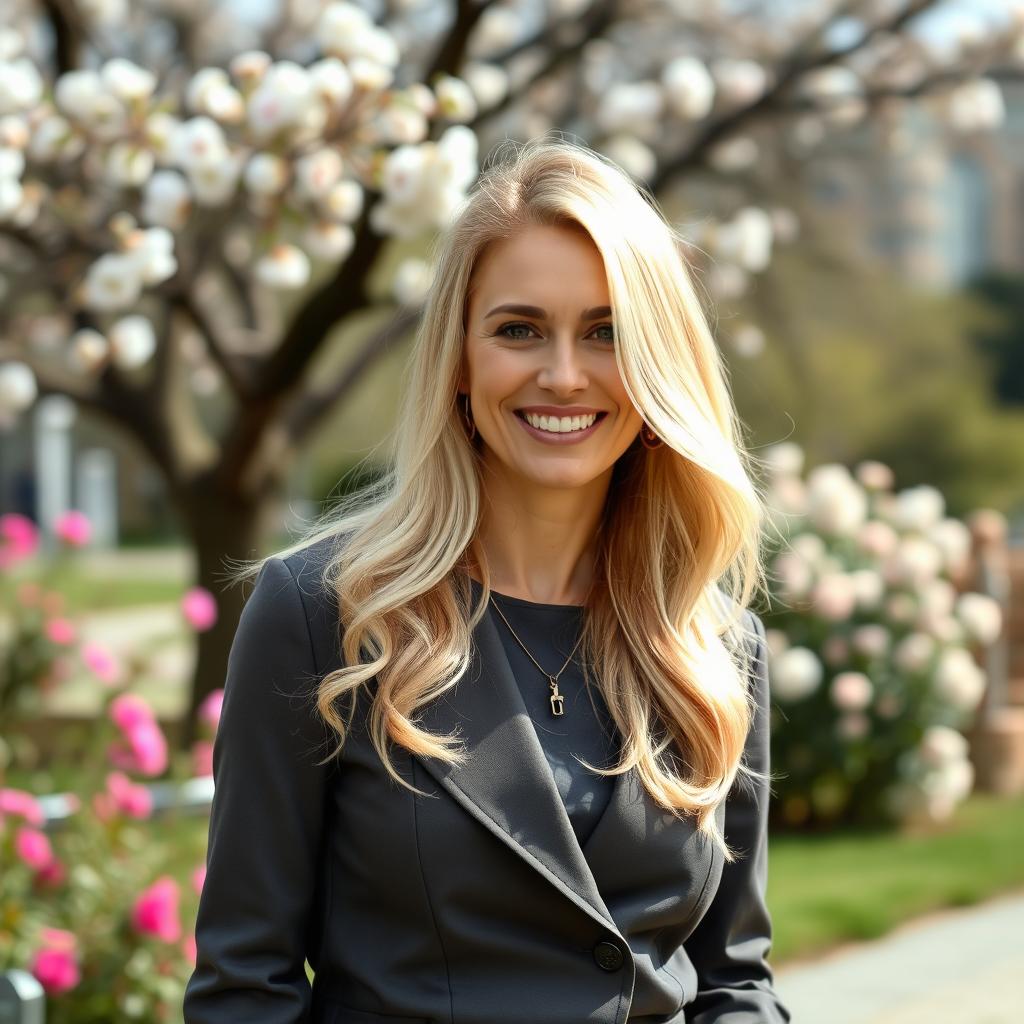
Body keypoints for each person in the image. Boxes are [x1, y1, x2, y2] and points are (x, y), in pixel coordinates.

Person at [183, 134, 791, 1024]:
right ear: (461, 359)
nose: (562, 375)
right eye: (518, 330)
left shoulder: (712, 644)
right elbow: (245, 989)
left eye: (607, 333)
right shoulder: (322, 615)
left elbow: (736, 981)